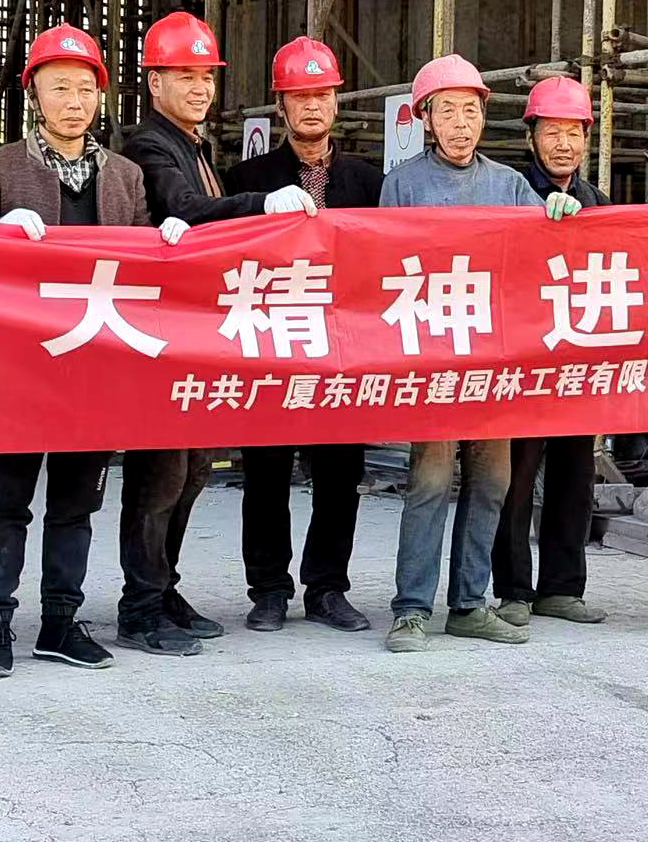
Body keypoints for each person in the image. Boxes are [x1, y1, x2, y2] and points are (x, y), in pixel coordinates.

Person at [0, 23, 183, 677]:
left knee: (77, 502)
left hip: (93, 365)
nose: (75, 101)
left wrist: (169, 239)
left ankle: (60, 621)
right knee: (6, 499)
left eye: (86, 88)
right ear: (34, 93)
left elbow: (142, 265)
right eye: (60, 88)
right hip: (20, 368)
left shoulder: (125, 176)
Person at [112, 11, 320, 657]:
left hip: (196, 340)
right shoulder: (150, 145)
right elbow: (184, 210)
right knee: (159, 476)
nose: (200, 87)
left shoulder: (195, 145)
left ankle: (163, 588)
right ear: (155, 82)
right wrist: (261, 203)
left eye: (206, 76)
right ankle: (139, 607)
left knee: (193, 469)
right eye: (185, 75)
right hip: (161, 339)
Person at [378, 54, 582, 652]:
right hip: (435, 361)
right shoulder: (404, 184)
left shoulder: (509, 184)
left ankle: (469, 602)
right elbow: (380, 266)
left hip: (493, 363)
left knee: (493, 480)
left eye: (471, 111)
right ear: (426, 119)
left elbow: (538, 260)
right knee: (430, 481)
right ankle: (411, 609)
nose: (461, 124)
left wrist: (559, 213)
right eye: (448, 112)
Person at [222, 37, 380, 634]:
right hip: (273, 346)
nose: (312, 106)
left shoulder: (369, 183)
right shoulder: (249, 179)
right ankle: (268, 590)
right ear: (281, 106)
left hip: (344, 351)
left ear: (337, 102)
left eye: (321, 94)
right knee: (265, 475)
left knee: (340, 476)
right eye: (299, 96)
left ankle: (327, 589)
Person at [490, 74, 609, 628]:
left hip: (575, 359)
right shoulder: (510, 193)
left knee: (575, 475)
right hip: (521, 360)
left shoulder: (599, 204)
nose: (564, 144)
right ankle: (513, 589)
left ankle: (562, 587)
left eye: (574, 133)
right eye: (552, 132)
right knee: (514, 479)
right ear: (531, 137)